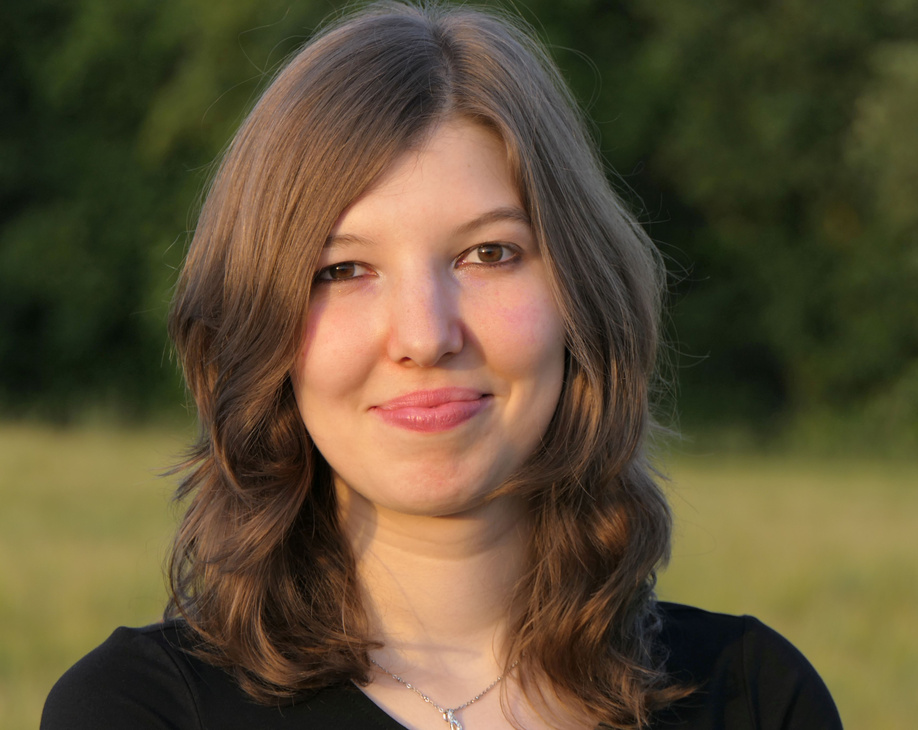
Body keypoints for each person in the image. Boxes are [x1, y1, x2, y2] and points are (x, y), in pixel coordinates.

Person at [41, 2, 842, 729]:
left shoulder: (751, 697)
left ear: (581, 294)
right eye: (343, 270)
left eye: (488, 254)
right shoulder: (135, 712)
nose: (425, 336)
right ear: (260, 328)